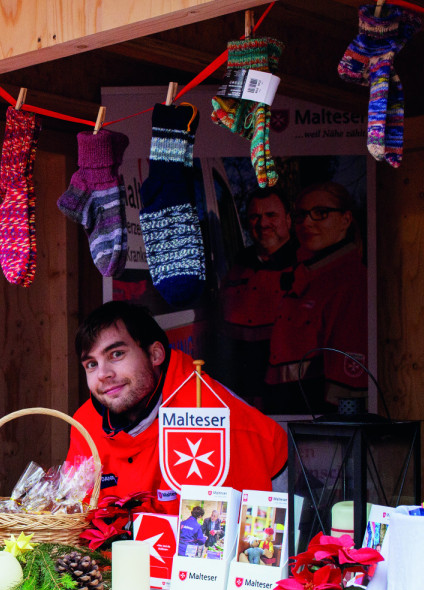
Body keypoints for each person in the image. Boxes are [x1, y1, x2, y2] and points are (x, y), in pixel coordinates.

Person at [66, 301, 287, 511]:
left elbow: (226, 536)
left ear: (155, 355)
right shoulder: (85, 422)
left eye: (116, 354)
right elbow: (75, 513)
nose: (103, 374)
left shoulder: (210, 413)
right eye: (91, 364)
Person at [266, 181, 369, 412]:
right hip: (284, 415)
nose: (307, 222)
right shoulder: (304, 275)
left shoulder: (352, 283)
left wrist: (333, 438)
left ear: (346, 219)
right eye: (301, 215)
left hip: (314, 425)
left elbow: (348, 392)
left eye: (320, 213)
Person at [219, 187, 297, 410]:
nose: (262, 223)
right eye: (255, 217)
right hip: (240, 395)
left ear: (288, 220)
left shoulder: (306, 264)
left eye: (271, 215)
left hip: (288, 400)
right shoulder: (238, 266)